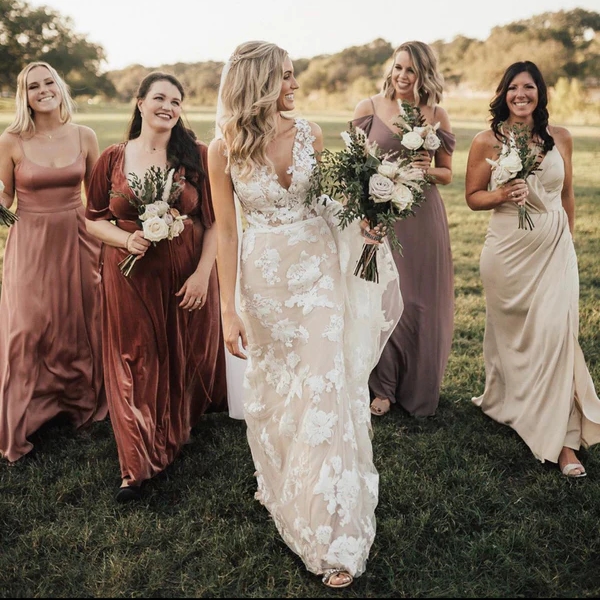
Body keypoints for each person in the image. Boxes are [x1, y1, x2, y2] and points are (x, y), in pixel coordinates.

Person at [208, 41, 402, 589]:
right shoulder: (222, 149)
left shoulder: (312, 134)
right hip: (265, 280)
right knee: (275, 389)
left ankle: (333, 529)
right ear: (259, 82)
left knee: (324, 386)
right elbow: (226, 232)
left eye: (293, 75)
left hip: (319, 275)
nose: (295, 84)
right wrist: (228, 310)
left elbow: (330, 204)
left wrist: (365, 223)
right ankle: (281, 478)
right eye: (286, 76)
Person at [85, 72, 227, 502]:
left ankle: (171, 430)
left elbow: (216, 223)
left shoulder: (197, 155)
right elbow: (92, 219)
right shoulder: (112, 158)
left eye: (177, 101)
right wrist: (126, 239)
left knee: (178, 356)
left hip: (185, 272)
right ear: (140, 103)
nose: (168, 106)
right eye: (160, 98)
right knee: (133, 359)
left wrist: (203, 274)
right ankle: (135, 465)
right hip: (128, 274)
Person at [465, 60, 600, 477]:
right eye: (513, 88)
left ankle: (563, 442)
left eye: (529, 87)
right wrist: (503, 192)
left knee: (556, 337)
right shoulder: (487, 140)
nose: (520, 95)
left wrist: (569, 242)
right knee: (515, 340)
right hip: (507, 252)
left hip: (554, 249)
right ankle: (512, 402)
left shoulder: (561, 137)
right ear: (503, 94)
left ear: (540, 93)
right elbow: (472, 196)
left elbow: (567, 195)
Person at [0, 61, 107, 463]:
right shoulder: (10, 140)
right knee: (26, 327)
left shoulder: (84, 135)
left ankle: (76, 403)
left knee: (78, 320)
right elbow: (4, 199)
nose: (43, 90)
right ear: (23, 96)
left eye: (49, 82)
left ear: (60, 87)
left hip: (78, 237)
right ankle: (22, 415)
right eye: (33, 86)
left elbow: (97, 199)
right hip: (31, 240)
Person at [352, 41, 455, 417]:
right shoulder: (369, 108)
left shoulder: (436, 113)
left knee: (418, 301)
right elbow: (355, 168)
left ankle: (417, 386)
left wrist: (425, 168)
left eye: (410, 70)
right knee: (378, 296)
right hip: (378, 215)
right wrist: (364, 211)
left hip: (422, 216)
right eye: (398, 68)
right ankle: (381, 387)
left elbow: (446, 173)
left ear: (423, 74)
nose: (402, 76)